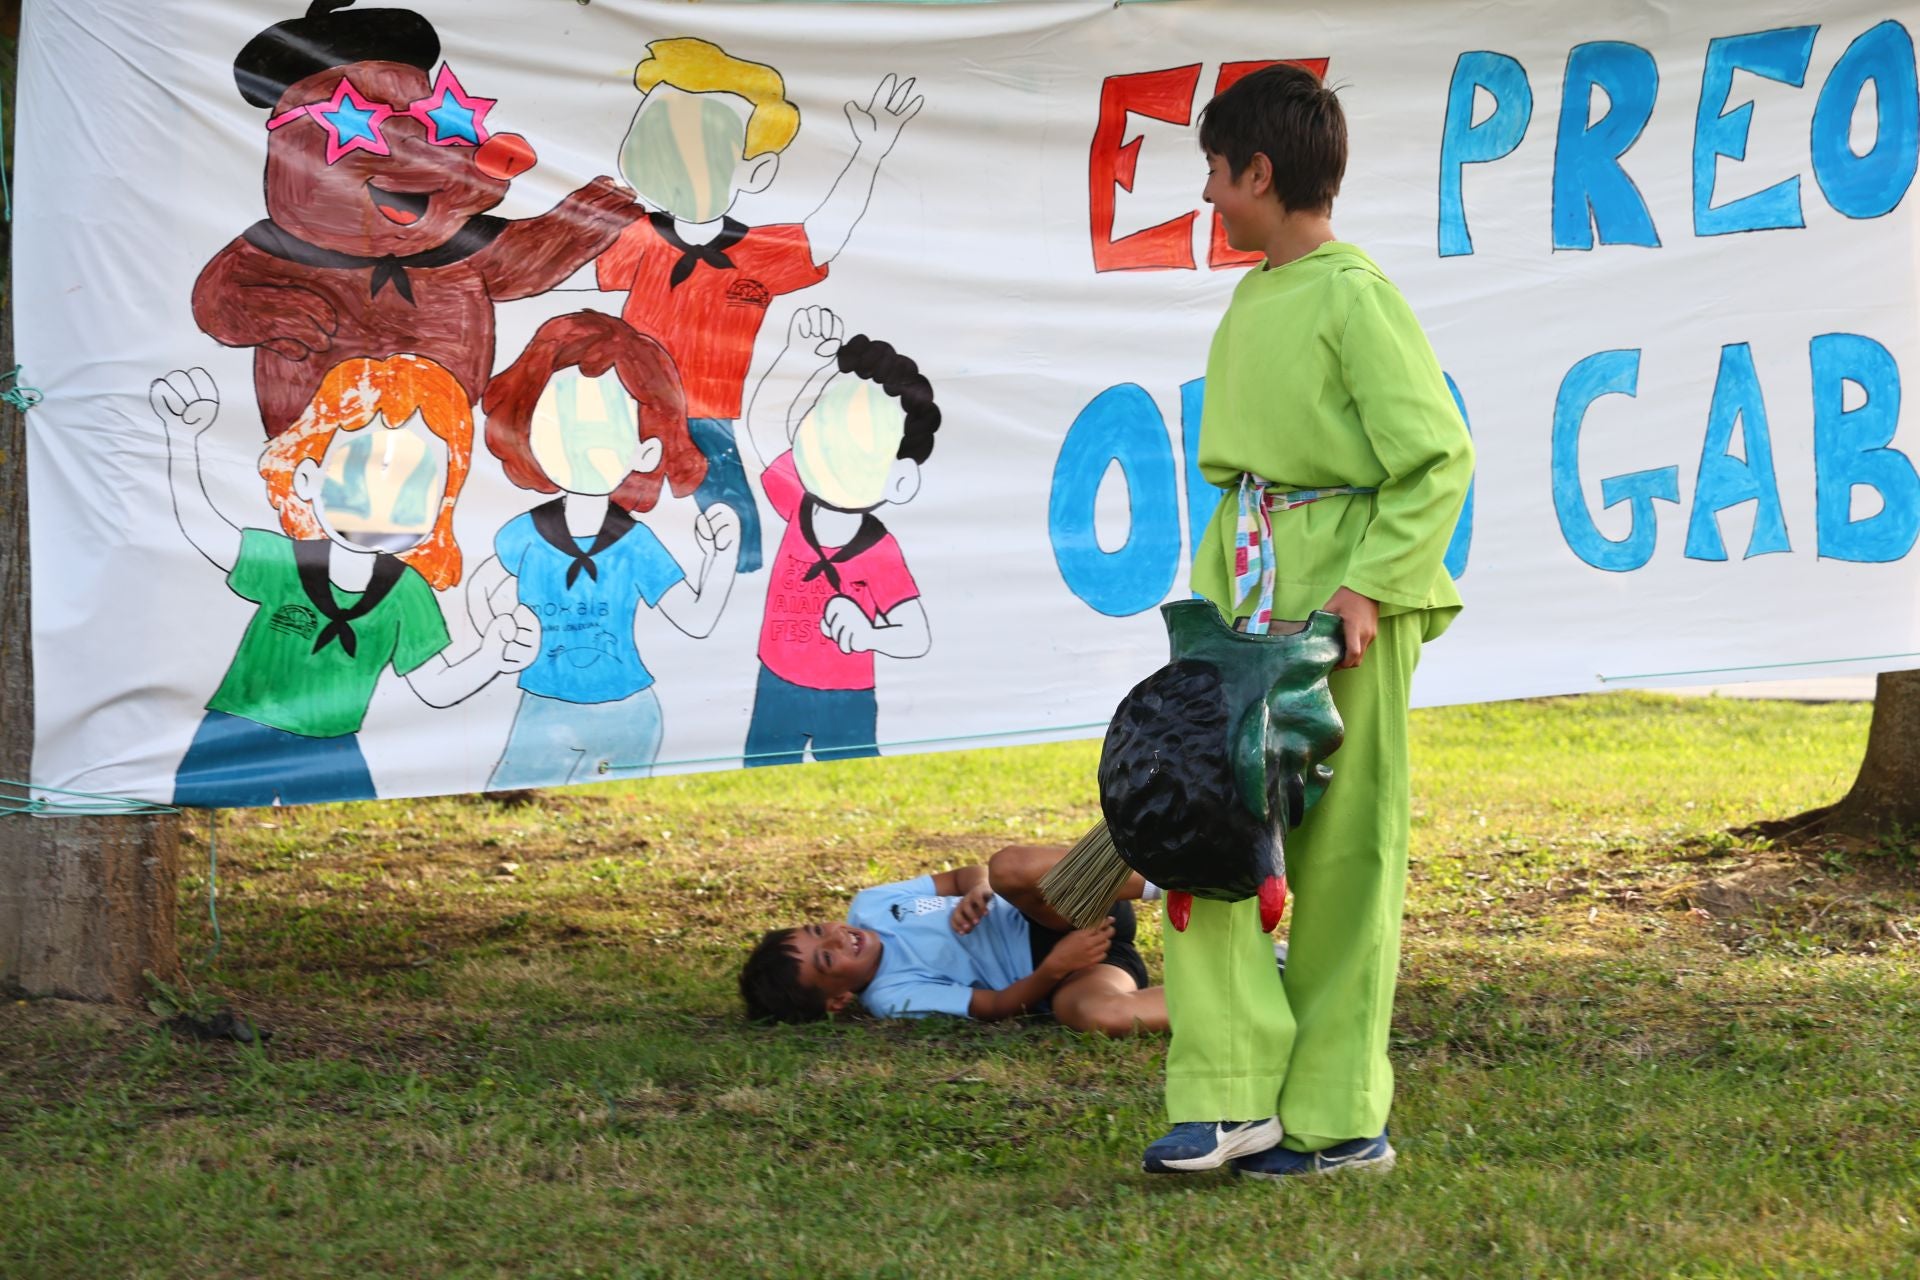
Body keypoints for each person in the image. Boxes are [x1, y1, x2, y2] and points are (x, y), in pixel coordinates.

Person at [1139, 64, 1473, 1179]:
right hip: (1246, 595)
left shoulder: (1354, 295)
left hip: (1345, 609)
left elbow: (1437, 457)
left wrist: (1368, 587)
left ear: (1259, 172)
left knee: (1341, 855)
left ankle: (1338, 1118)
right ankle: (1229, 1095)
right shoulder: (1253, 298)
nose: (1206, 195)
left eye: (1214, 173)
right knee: (1204, 825)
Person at [468, 311, 737, 787]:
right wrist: (500, 634)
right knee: (514, 796)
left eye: (603, 429)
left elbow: (695, 619)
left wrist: (722, 559)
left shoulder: (634, 543)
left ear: (646, 450)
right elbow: (482, 586)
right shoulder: (527, 534)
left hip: (629, 710)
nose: (581, 446)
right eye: (561, 423)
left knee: (625, 808)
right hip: (543, 707)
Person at [739, 845, 1169, 1036]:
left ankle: (1176, 878)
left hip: (1056, 909)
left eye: (819, 930)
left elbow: (964, 876)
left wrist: (978, 890)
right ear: (838, 1001)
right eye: (826, 960)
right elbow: (996, 1007)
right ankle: (1212, 1001)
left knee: (1006, 867)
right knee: (1094, 1014)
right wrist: (1056, 966)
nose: (836, 939)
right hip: (1074, 971)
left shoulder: (870, 906)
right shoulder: (891, 996)